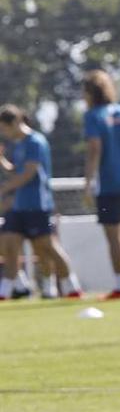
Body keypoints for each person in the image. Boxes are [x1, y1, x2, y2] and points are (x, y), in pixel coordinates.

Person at [0, 105, 82, 300]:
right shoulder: (18, 145)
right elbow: (16, 171)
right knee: (8, 243)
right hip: (19, 206)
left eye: (4, 128)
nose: (3, 133)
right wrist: (1, 160)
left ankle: (71, 286)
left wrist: (3, 189)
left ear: (16, 123)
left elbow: (28, 173)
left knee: (46, 247)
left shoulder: (35, 141)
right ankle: (7, 291)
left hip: (37, 204)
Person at [81, 70, 120, 300]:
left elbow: (95, 149)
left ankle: (119, 286)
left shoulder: (93, 116)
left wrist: (88, 182)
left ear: (90, 92)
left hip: (108, 182)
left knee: (112, 235)